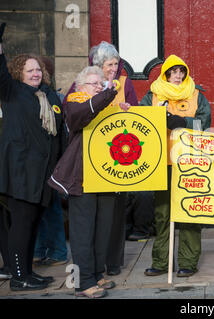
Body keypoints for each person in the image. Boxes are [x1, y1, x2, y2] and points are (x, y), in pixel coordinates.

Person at [64, 41, 138, 276]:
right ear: (97, 65)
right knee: (88, 224)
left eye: (117, 64)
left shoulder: (124, 83)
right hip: (88, 165)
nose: (114, 68)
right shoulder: (82, 87)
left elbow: (134, 114)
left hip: (118, 159)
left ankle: (111, 265)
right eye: (109, 64)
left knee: (112, 217)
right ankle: (86, 277)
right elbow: (74, 115)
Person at [48, 66, 123, 298]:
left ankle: (97, 273)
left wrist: (125, 113)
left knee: (102, 229)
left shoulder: (106, 107)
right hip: (82, 178)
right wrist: (108, 93)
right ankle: (82, 282)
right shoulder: (74, 103)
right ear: (80, 87)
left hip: (106, 176)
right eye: (94, 84)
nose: (99, 88)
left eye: (101, 84)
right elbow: (83, 114)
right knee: (83, 232)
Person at [0, 22, 64, 291]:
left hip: (42, 176)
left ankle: (27, 272)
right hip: (20, 174)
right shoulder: (12, 93)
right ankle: (17, 277)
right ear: (19, 73)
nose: (36, 73)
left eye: (38, 69)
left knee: (33, 225)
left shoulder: (50, 96)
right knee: (21, 226)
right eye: (30, 70)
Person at [141, 54, 211, 277]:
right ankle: (161, 263)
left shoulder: (196, 94)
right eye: (173, 72)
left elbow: (205, 123)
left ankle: (188, 262)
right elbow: (139, 120)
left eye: (181, 71)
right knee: (163, 214)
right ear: (166, 74)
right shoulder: (152, 96)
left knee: (190, 211)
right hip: (162, 162)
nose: (178, 76)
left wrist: (184, 122)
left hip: (190, 162)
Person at [33, 56, 68, 267]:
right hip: (34, 161)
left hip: (48, 162)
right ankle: (39, 249)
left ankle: (58, 251)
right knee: (35, 208)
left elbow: (59, 134)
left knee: (51, 207)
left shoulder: (52, 97)